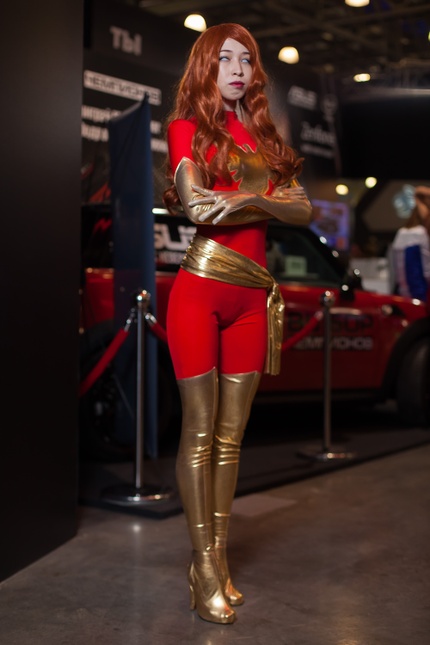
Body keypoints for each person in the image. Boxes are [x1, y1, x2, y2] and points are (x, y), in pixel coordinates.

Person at [163, 23, 312, 624]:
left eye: (246, 60)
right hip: (201, 291)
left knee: (231, 438)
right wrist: (266, 201)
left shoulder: (263, 136)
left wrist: (251, 200)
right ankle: (203, 567)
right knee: (199, 435)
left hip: (253, 297)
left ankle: (217, 558)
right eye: (224, 58)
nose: (237, 69)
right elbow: (198, 206)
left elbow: (302, 208)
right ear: (206, 65)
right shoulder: (187, 128)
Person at [391, 185, 430, 302]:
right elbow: (427, 271)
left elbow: (395, 270)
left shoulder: (401, 232)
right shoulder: (421, 234)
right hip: (420, 296)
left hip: (402, 294)